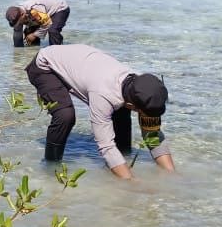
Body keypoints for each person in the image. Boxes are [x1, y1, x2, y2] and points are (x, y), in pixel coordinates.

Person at [25, 44, 174, 179]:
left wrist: (172, 175)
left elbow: (152, 134)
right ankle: (51, 166)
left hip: (81, 62)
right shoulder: (102, 95)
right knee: (65, 115)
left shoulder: (144, 87)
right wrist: (132, 184)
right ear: (132, 103)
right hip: (45, 66)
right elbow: (106, 146)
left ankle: (123, 158)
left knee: (121, 113)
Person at [6, 0, 70, 47]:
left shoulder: (34, 10)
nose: (19, 24)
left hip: (59, 9)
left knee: (53, 30)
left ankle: (56, 51)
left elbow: (47, 23)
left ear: (22, 14)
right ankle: (33, 52)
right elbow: (17, 36)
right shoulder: (18, 14)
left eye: (19, 22)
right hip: (41, 15)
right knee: (28, 32)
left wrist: (34, 35)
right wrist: (18, 54)